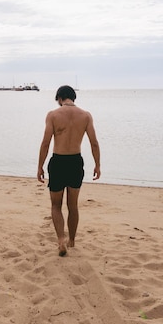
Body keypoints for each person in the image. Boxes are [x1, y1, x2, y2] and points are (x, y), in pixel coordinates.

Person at [37, 85, 101, 256]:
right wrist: (97, 165)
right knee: (72, 205)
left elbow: (45, 143)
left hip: (58, 162)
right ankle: (72, 240)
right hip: (75, 162)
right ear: (73, 98)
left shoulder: (53, 115)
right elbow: (94, 143)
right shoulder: (86, 116)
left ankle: (60, 240)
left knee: (56, 205)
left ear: (60, 98)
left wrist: (40, 166)